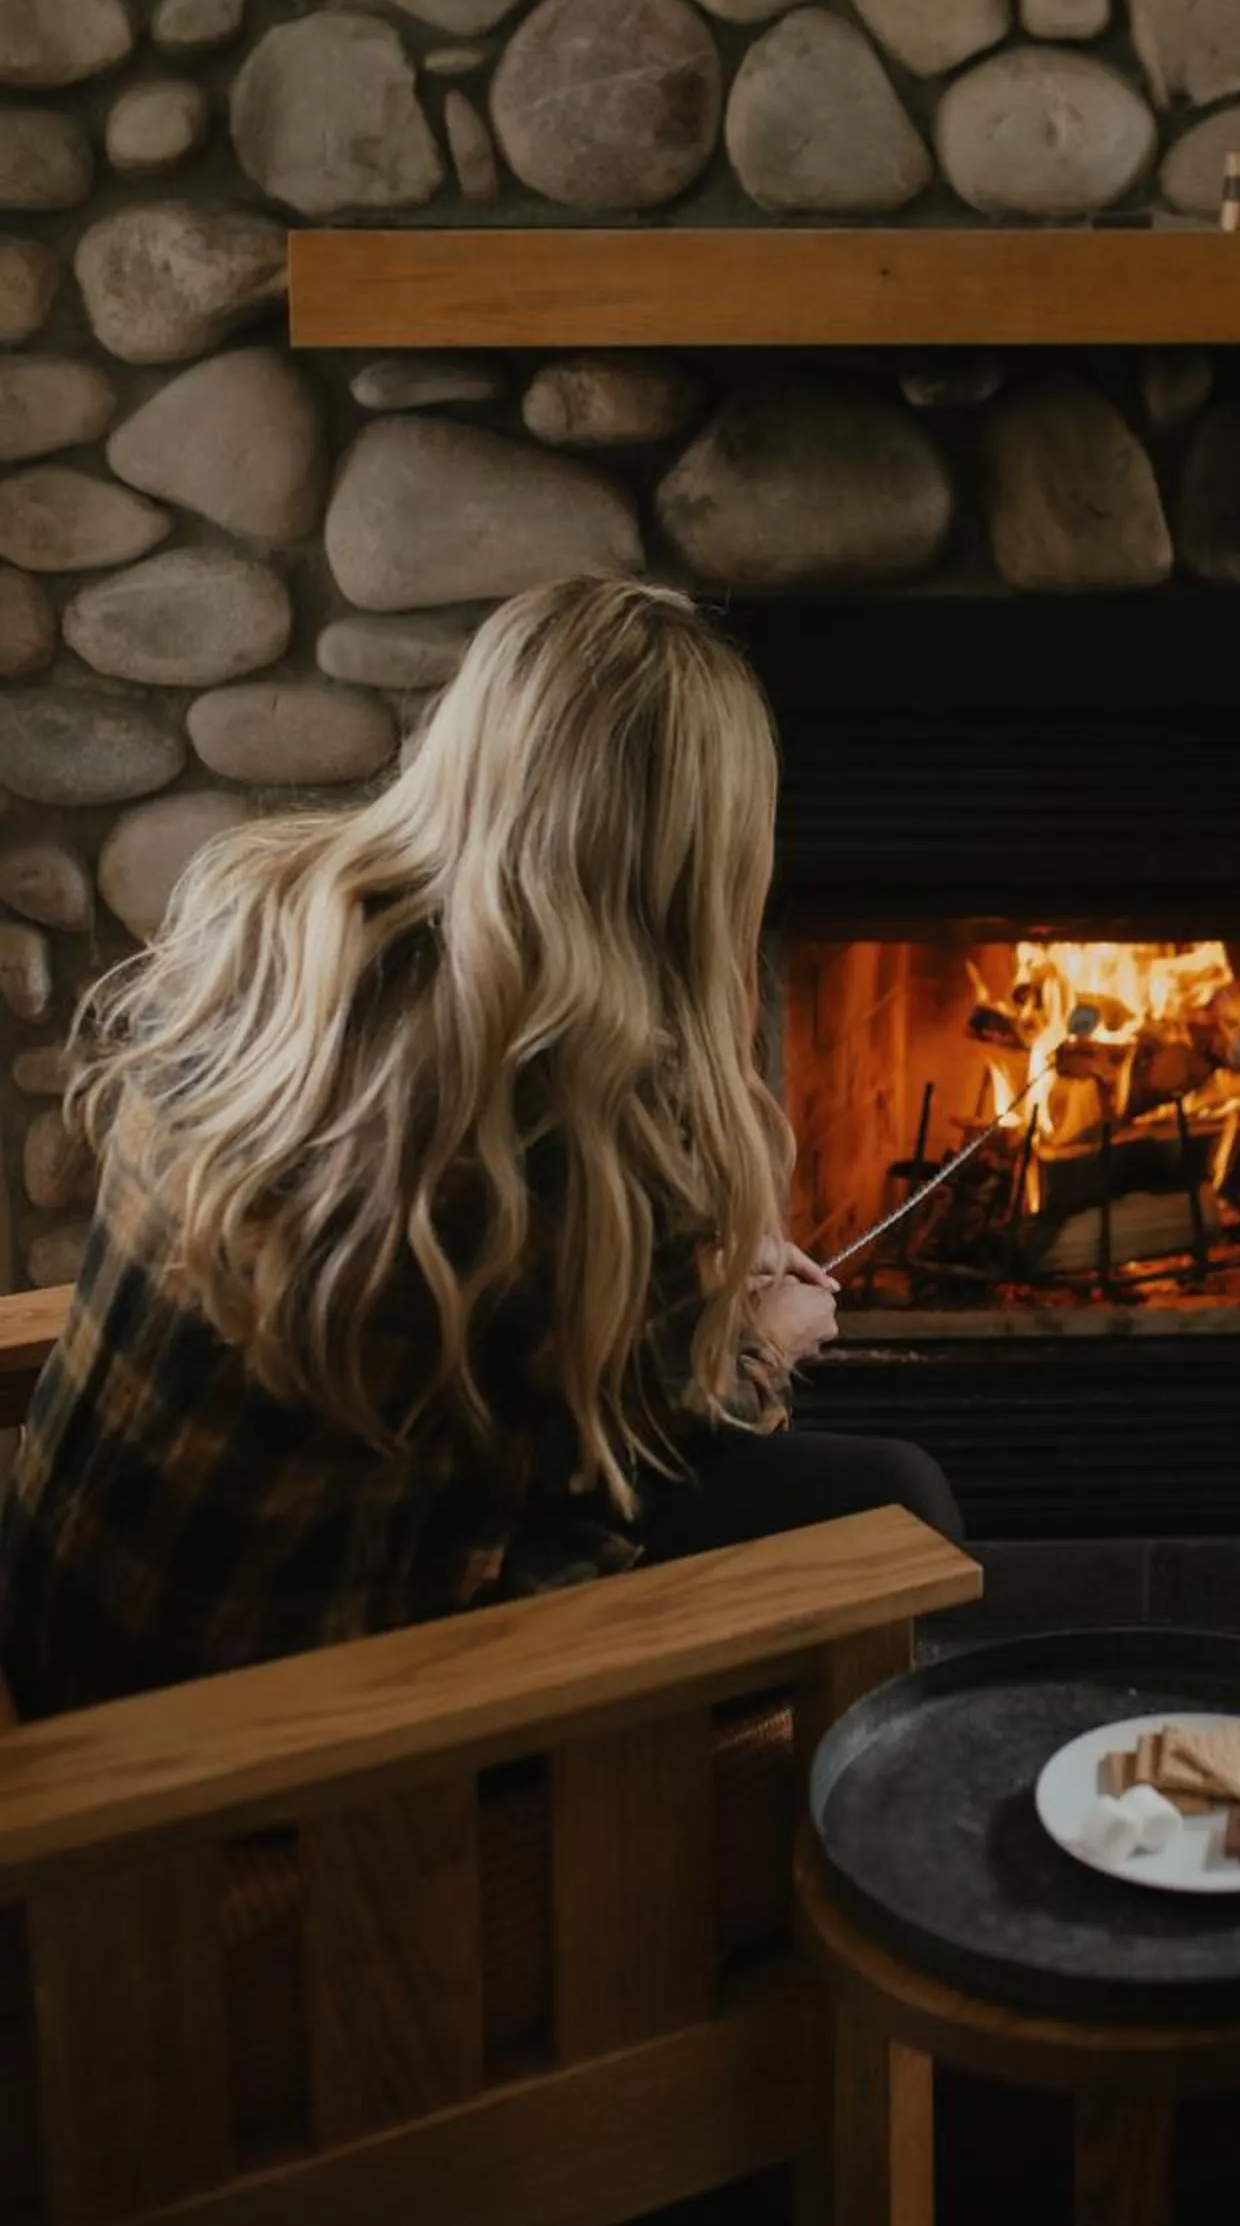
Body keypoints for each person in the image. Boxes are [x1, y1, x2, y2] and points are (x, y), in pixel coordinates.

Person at [0, 577, 960, 1720]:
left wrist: (681, 1269)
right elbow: (639, 1452)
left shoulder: (261, 912)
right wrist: (765, 1345)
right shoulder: (586, 1105)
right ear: (700, 849)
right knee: (900, 1505)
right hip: (247, 1727)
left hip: (67, 1616)